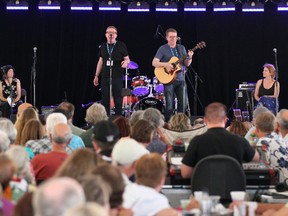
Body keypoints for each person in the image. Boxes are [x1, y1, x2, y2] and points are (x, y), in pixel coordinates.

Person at [181, 102, 259, 179]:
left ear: (205, 120)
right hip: (233, 188)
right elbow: (256, 159)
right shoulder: (239, 140)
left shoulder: (196, 141)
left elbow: (185, 173)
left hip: (204, 189)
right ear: (225, 120)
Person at [152, 28, 193, 122]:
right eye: (171, 37)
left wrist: (190, 57)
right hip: (169, 80)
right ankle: (168, 125)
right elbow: (154, 62)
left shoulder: (181, 48)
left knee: (183, 105)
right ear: (167, 38)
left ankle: (180, 125)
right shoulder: (163, 48)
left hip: (181, 79)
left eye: (175, 37)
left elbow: (187, 64)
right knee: (169, 106)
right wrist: (166, 64)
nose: (173, 39)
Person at [93, 26, 130, 116]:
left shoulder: (121, 45)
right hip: (105, 76)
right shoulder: (103, 46)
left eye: (113, 33)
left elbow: (127, 59)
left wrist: (126, 62)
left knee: (117, 99)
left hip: (117, 76)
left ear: (116, 35)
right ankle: (106, 120)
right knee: (105, 99)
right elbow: (100, 61)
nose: (111, 34)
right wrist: (96, 75)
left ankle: (118, 119)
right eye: (109, 32)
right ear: (106, 35)